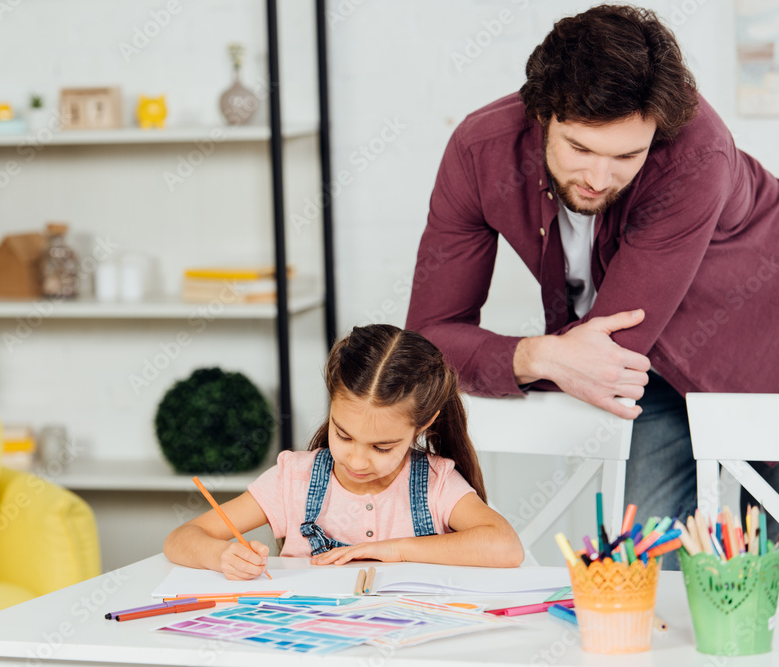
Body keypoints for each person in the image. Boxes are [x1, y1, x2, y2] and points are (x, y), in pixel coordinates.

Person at [405, 4, 779, 568]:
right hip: (643, 379)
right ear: (541, 114)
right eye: (580, 148)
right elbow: (427, 344)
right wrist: (538, 354)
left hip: (763, 354)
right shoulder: (480, 151)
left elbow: (608, 352)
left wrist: (548, 360)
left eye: (627, 155)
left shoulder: (697, 150)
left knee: (762, 583)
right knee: (636, 573)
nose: (599, 179)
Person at [164, 324, 524, 579]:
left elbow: (505, 547)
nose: (356, 460)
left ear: (424, 424)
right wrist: (222, 555)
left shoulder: (435, 483)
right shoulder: (294, 480)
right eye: (344, 435)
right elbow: (180, 540)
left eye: (382, 447)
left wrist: (396, 549)